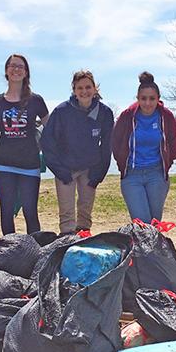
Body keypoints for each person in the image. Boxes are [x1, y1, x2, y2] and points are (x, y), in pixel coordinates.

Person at [41, 70, 114, 234]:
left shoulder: (104, 113)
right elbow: (47, 141)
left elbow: (107, 145)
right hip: (65, 168)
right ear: (74, 90)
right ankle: (66, 240)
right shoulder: (61, 111)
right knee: (67, 214)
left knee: (85, 212)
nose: (84, 91)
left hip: (90, 168)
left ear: (95, 89)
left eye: (88, 87)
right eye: (79, 87)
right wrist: (59, 170)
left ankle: (83, 239)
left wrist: (100, 173)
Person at [0, 54, 49, 235]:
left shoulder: (36, 100)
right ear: (6, 71)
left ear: (26, 72)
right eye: (12, 66)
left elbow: (52, 127)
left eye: (20, 66)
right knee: (6, 211)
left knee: (30, 211)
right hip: (3, 163)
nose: (16, 69)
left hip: (29, 163)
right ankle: (11, 253)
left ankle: (36, 254)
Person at [112, 71, 176, 223]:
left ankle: (154, 247)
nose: (147, 103)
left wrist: (166, 163)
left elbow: (175, 144)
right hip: (132, 175)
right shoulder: (127, 116)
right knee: (141, 223)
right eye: (143, 98)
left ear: (158, 99)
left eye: (152, 99)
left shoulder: (165, 116)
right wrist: (122, 164)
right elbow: (115, 143)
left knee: (154, 224)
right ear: (137, 99)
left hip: (156, 175)